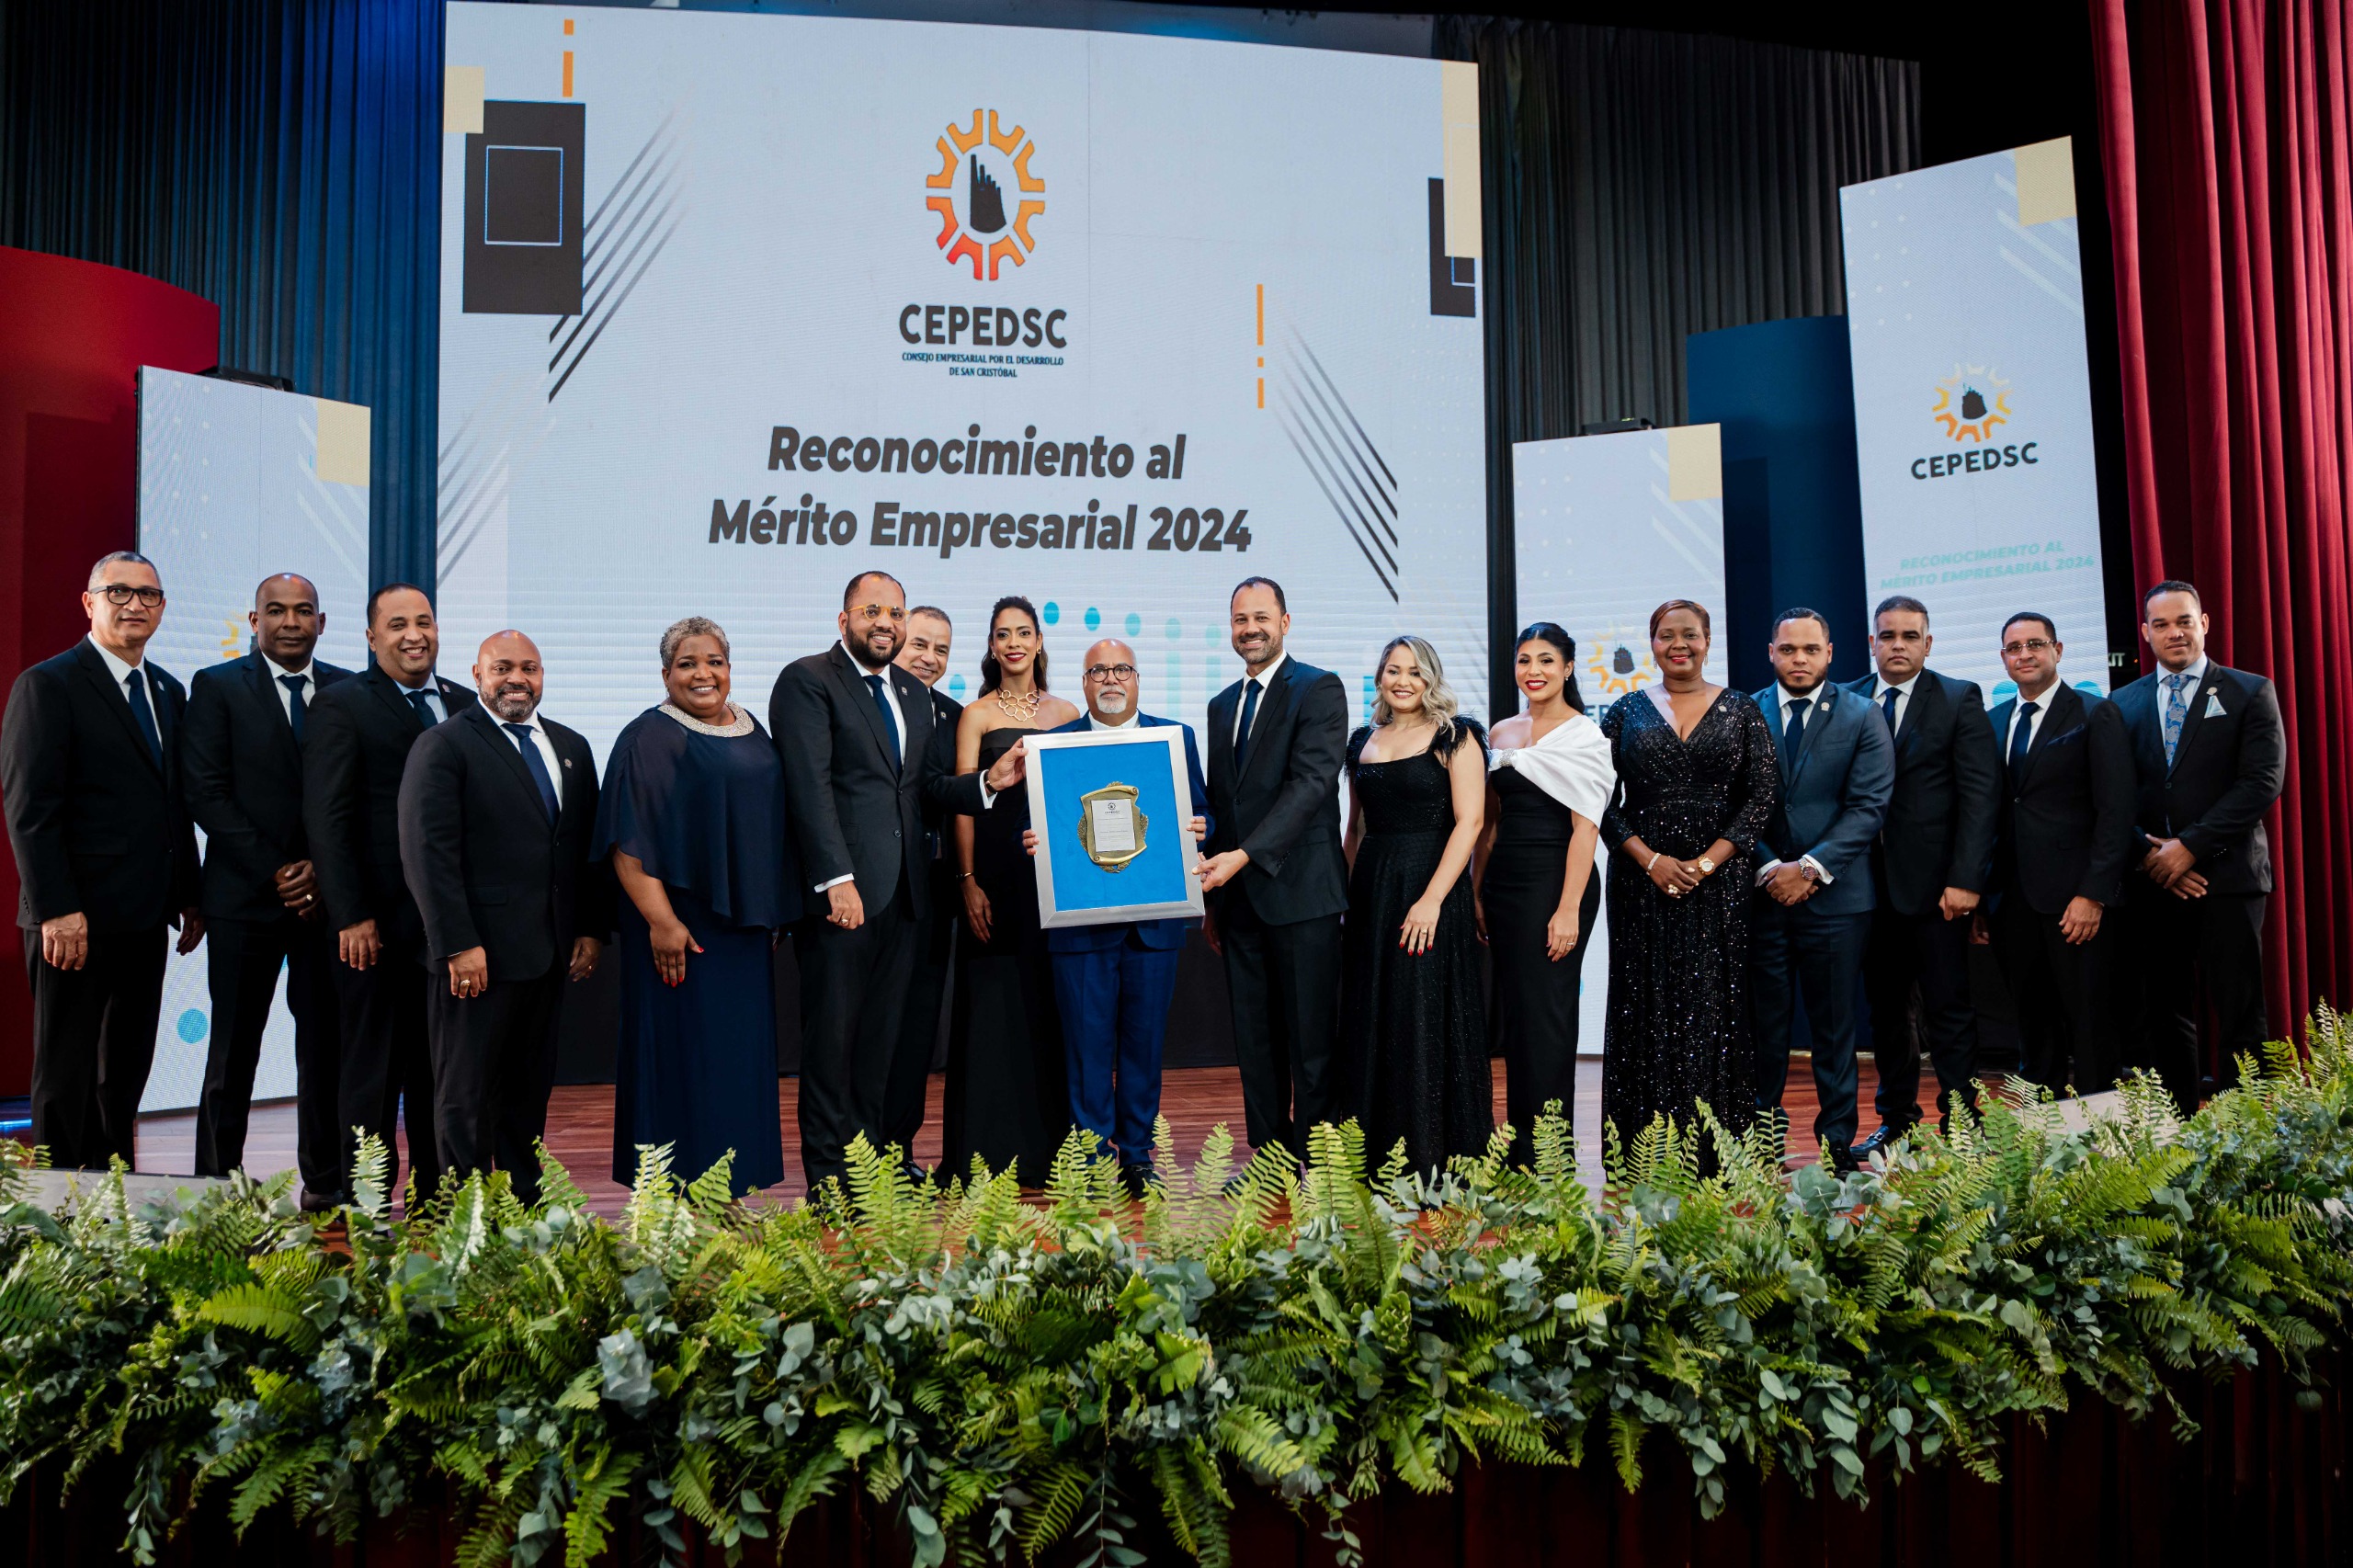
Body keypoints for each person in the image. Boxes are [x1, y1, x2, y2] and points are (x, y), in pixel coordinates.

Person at [771, 571, 1023, 1190]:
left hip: (906, 897)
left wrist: (989, 782)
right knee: (832, 1048)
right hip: (844, 898)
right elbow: (809, 789)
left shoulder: (912, 693)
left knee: (880, 1050)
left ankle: (867, 1181)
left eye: (895, 613)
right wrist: (836, 878)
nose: (885, 623)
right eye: (872, 611)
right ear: (845, 620)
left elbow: (926, 787)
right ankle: (828, 1184)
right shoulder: (808, 680)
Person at [0, 551, 202, 1169]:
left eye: (148, 595)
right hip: (73, 921)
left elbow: (172, 805)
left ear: (162, 608)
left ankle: (115, 1191)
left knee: (126, 1069)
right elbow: (30, 809)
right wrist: (57, 909)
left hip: (145, 918)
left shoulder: (167, 691)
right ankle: (61, 1206)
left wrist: (189, 894)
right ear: (89, 602)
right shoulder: (48, 685)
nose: (134, 604)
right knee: (66, 1073)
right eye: (119, 592)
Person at [398, 631, 608, 1203]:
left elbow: (584, 849)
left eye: (529, 668)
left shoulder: (571, 745)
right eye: (503, 668)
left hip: (548, 953)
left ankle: (521, 1206)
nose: (517, 679)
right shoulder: (444, 744)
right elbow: (427, 852)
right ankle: (463, 1213)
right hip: (476, 956)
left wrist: (590, 927)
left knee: (526, 1092)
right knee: (464, 1094)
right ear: (477, 674)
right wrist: (456, 943)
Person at [597, 617, 794, 1195]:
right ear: (666, 675)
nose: (702, 674)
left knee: (737, 1065)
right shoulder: (647, 738)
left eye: (714, 661)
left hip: (743, 935)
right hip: (682, 933)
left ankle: (731, 1190)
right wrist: (662, 922)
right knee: (685, 1063)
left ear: (729, 668)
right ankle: (674, 1195)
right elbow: (628, 842)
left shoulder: (752, 728)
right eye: (687, 664)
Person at [182, 573, 352, 1202]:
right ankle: (214, 1189)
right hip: (243, 901)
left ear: (321, 622)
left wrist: (320, 871)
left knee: (325, 1049)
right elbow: (205, 792)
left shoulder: (348, 690)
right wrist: (278, 871)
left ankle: (326, 1186)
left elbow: (356, 795)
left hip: (326, 904)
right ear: (254, 622)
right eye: (275, 611)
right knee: (233, 1050)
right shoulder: (216, 686)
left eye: (303, 611)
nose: (290, 622)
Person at [1022, 639, 1211, 1192]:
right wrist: (1031, 840)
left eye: (1121, 669)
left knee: (1143, 1047)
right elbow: (1037, 825)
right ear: (1083, 683)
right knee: (1085, 1049)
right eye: (1098, 670)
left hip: (1155, 925)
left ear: (1137, 678)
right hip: (1080, 926)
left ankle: (1136, 1154)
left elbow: (1202, 811)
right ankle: (1089, 1158)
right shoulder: (1053, 746)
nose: (1110, 678)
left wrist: (1204, 827)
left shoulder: (1174, 738)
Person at [306, 584, 472, 1201]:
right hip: (374, 928)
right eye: (397, 624)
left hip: (448, 928)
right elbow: (328, 819)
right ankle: (365, 1200)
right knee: (371, 1071)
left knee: (440, 1068)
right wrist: (351, 914)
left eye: (423, 622)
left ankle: (436, 1197)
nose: (414, 635)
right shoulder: (341, 703)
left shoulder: (464, 703)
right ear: (372, 637)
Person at [1597, 599, 1777, 1153]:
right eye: (1667, 635)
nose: (1680, 644)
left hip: (1720, 882)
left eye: (1690, 634)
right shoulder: (1623, 712)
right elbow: (1598, 799)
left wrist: (1705, 864)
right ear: (1652, 644)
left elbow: (1761, 797)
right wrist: (1649, 860)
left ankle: (1715, 1145)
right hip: (1640, 879)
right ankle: (1641, 1146)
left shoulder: (1742, 709)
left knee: (1715, 1003)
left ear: (1707, 641)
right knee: (1642, 999)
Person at [2110, 581, 2284, 1114]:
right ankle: (2179, 1129)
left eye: (2184, 621)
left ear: (2204, 623)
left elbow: (2262, 782)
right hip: (2154, 883)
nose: (2174, 633)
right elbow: (2112, 795)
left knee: (2239, 1013)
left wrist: (2188, 848)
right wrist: (2151, 856)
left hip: (2228, 879)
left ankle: (2244, 1133)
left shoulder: (2249, 691)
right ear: (2145, 633)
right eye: (2161, 624)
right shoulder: (2122, 703)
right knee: (2163, 1013)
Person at [1198, 578, 1350, 1159]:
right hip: (1238, 902)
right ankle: (1269, 1164)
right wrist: (1213, 897)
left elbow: (1311, 786)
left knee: (1311, 1044)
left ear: (1285, 622)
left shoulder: (1318, 688)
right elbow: (1224, 804)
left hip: (1303, 894)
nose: (1251, 629)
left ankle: (1318, 1166)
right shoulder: (1220, 706)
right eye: (1241, 619)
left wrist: (1242, 857)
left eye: (1261, 617)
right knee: (1255, 1045)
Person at [1847, 595, 1998, 1153]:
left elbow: (1980, 798)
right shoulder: (1847, 699)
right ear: (1872, 642)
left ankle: (1964, 1126)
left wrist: (1968, 880)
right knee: (1886, 1013)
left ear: (1928, 644)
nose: (1898, 645)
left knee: (1948, 1011)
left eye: (1910, 636)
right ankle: (1898, 1123)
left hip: (1939, 890)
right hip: (1865, 890)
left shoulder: (1959, 698)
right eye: (1888, 636)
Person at [940, 596, 1083, 1184]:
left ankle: (1050, 1153)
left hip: (1054, 885)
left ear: (1039, 641)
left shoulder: (1068, 712)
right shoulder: (975, 715)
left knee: (1049, 1010)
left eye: (1024, 632)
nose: (1015, 643)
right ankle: (983, 1154)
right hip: (994, 879)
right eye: (1004, 634)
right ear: (992, 646)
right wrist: (968, 881)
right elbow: (962, 806)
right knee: (991, 1010)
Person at [1749, 610, 1893, 1173]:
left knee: (1835, 1033)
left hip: (1838, 902)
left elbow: (1869, 807)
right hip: (1763, 897)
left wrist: (1807, 870)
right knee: (1764, 1030)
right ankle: (1761, 1148)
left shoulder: (1862, 714)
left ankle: (1836, 1150)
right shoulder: (1746, 712)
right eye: (1788, 649)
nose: (1799, 659)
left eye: (1811, 649)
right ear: (1771, 652)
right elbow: (1737, 803)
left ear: (1830, 653)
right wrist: (1771, 867)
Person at [1340, 636, 1490, 1177]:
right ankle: (1374, 1155)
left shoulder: (1456, 735)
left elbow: (1471, 822)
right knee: (1374, 1012)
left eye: (1415, 671)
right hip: (1373, 894)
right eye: (1393, 670)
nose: (1403, 681)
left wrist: (1431, 900)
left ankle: (1430, 1155)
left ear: (1431, 678)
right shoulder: (1361, 740)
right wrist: (1347, 899)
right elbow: (1355, 829)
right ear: (1379, 677)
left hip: (1431, 888)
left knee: (1422, 1014)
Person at [1478, 623, 1613, 1165]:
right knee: (1516, 1019)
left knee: (1549, 1018)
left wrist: (1568, 909)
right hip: (1504, 888)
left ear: (1568, 667)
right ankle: (1520, 1150)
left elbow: (1586, 829)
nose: (1533, 671)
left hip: (1557, 885)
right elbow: (1488, 824)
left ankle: (1550, 1154)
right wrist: (1477, 891)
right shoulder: (1500, 732)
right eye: (1524, 660)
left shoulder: (1586, 735)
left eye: (1546, 660)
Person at [1982, 613, 2133, 1096]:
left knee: (2090, 1021)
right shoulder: (1992, 721)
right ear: (2003, 658)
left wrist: (2094, 893)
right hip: (2011, 900)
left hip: (2076, 900)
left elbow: (2116, 811)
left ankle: (2099, 1126)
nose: (2024, 654)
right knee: (2032, 1021)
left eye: (2035, 644)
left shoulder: (2094, 712)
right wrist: (1983, 896)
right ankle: (2042, 1122)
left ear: (2058, 650)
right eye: (2014, 648)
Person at [887, 606, 961, 1153]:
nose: (929, 658)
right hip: (873, 892)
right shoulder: (859, 703)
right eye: (919, 644)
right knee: (871, 1028)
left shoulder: (954, 716)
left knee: (917, 1026)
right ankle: (857, 1154)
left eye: (941, 650)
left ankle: (899, 1150)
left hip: (933, 891)